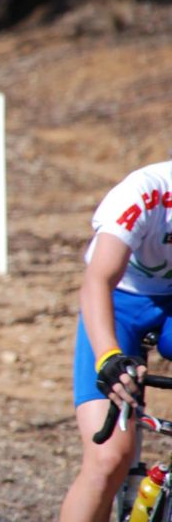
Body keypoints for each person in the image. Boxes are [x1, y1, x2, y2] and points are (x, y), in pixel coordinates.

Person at [58, 160, 172, 520]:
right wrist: (108, 356)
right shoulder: (144, 191)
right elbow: (97, 282)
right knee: (108, 458)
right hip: (117, 303)